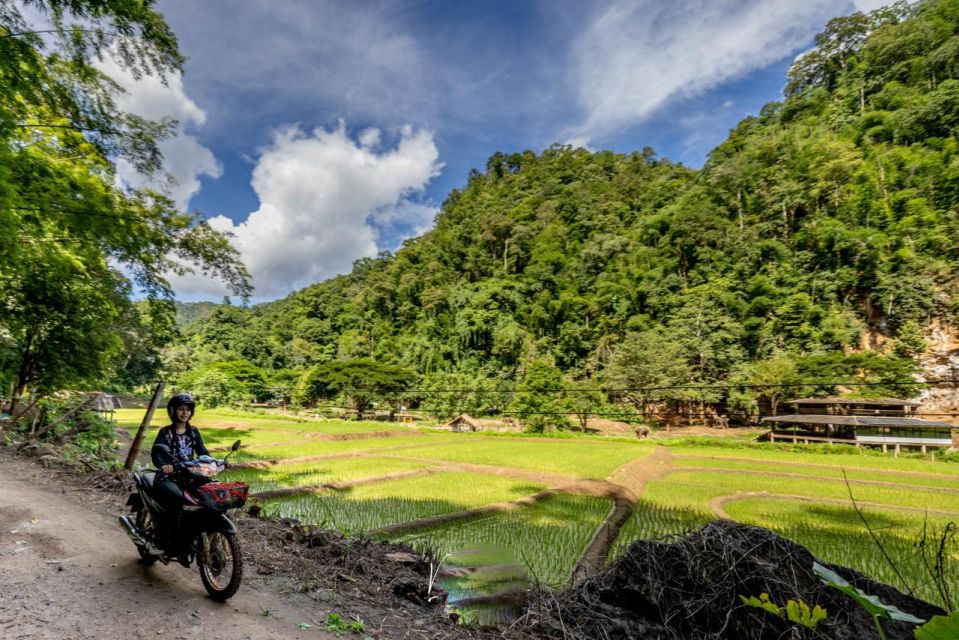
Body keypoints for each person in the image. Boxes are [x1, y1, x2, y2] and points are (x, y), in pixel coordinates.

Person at [150, 392, 209, 551]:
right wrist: (164, 465)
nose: (184, 413)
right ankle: (164, 538)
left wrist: (213, 463)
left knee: (210, 494)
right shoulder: (165, 432)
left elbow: (203, 452)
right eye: (181, 409)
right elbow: (156, 454)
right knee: (177, 500)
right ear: (173, 411)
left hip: (189, 475)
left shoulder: (193, 432)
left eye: (188, 410)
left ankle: (195, 532)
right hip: (168, 476)